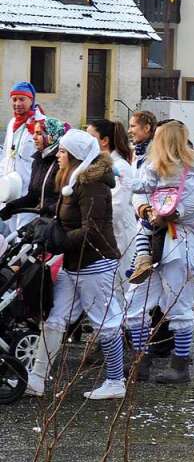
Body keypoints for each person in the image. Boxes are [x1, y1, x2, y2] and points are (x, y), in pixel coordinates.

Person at [26, 130, 125, 400]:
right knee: (55, 318)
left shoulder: (91, 185)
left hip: (94, 263)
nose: (57, 155)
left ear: (75, 156)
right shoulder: (73, 181)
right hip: (74, 263)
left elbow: (91, 230)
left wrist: (59, 241)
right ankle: (36, 380)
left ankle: (116, 381)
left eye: (62, 151)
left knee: (105, 322)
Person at [125, 121, 194, 384]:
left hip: (180, 240)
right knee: (136, 302)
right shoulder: (153, 166)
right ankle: (140, 362)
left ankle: (180, 365)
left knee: (178, 302)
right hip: (154, 236)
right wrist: (146, 211)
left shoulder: (192, 167)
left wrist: (174, 214)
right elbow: (140, 191)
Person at [128, 120, 194, 283]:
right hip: (187, 212)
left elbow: (146, 186)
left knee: (142, 228)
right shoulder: (192, 161)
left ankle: (143, 260)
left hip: (163, 209)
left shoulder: (155, 164)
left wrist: (128, 182)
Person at [86, 119, 138, 290]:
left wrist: (91, 224)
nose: (87, 141)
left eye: (91, 137)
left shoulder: (120, 167)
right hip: (103, 235)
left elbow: (116, 207)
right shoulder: (95, 165)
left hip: (119, 235)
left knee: (120, 287)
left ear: (104, 140)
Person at [0, 116, 68, 224]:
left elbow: (66, 200)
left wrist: (49, 210)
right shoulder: (38, 161)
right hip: (44, 221)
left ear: (52, 136)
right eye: (34, 133)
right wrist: (11, 207)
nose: (34, 137)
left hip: (59, 223)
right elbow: (33, 197)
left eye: (39, 134)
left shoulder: (60, 162)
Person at [2, 81, 44, 234]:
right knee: (10, 230)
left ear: (31, 100)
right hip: (10, 187)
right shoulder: (12, 123)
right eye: (14, 99)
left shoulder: (39, 124)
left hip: (28, 191)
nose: (17, 103)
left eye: (22, 99)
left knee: (24, 232)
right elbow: (6, 155)